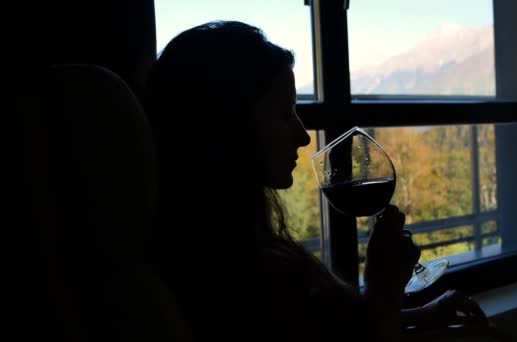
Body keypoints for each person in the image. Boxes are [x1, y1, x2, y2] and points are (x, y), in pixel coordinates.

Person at [144, 20, 487, 342]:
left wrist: (420, 313)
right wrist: (384, 288)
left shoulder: (240, 242)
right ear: (227, 127)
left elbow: (333, 330)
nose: (303, 137)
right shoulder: (223, 276)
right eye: (284, 114)